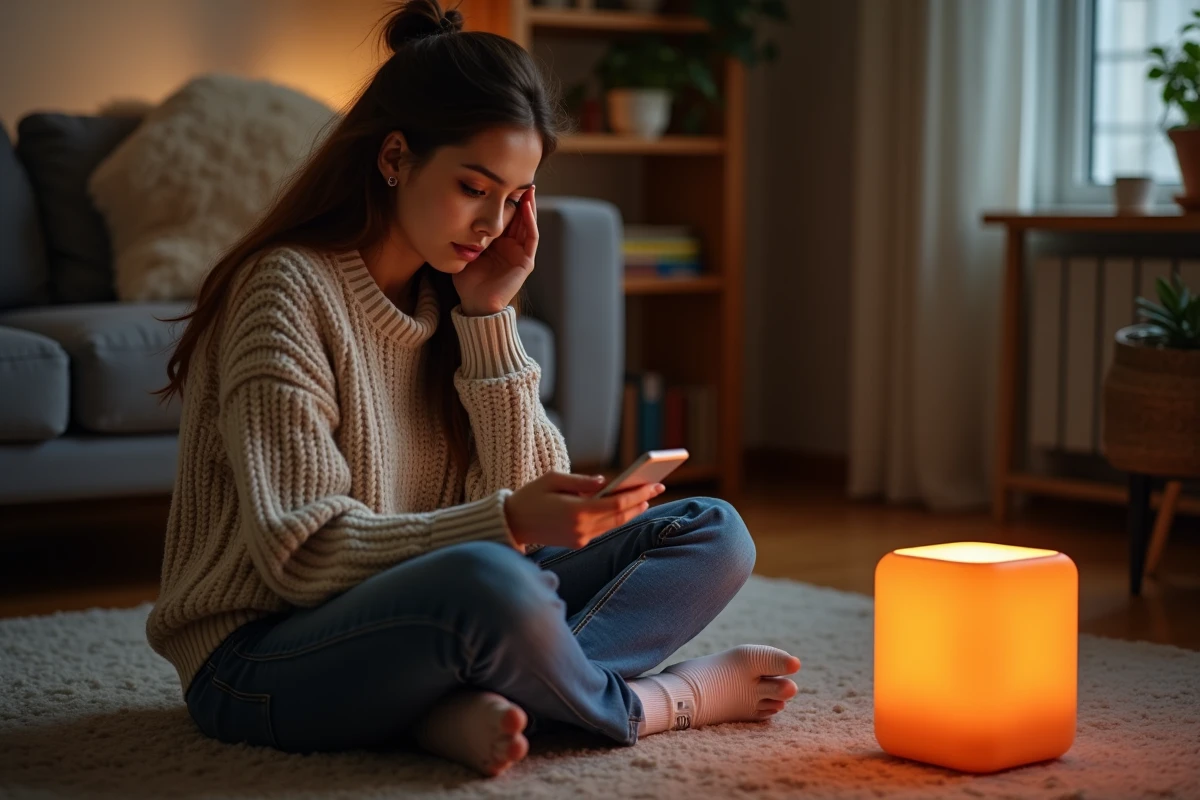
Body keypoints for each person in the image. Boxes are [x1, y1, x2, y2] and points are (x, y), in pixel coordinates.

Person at [146, 0, 801, 778]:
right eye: (472, 187)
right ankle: (651, 703)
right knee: (491, 580)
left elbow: (530, 508)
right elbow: (304, 556)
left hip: (426, 619)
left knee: (712, 530)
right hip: (259, 657)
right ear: (394, 158)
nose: (492, 223)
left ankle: (453, 706)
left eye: (514, 197)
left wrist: (489, 316)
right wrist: (512, 521)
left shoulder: (449, 296)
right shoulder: (284, 290)